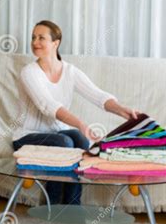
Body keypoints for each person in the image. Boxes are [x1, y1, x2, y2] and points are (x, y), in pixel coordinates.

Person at [13, 20, 140, 205]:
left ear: (55, 43)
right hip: (27, 136)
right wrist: (81, 123)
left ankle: (73, 206)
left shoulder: (70, 71)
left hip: (56, 134)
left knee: (79, 139)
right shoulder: (29, 72)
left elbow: (98, 95)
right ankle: (53, 206)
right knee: (64, 142)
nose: (35, 42)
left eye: (41, 38)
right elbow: (47, 105)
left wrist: (122, 110)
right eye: (33, 37)